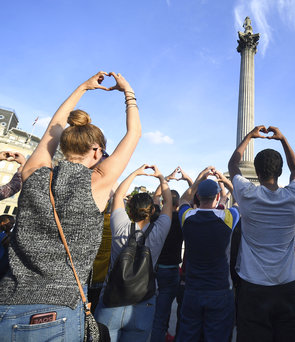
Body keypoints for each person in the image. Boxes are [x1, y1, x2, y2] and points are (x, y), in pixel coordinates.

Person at [0, 71, 141, 340]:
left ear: (63, 146)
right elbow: (134, 133)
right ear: (98, 151)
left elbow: (54, 124)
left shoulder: (34, 171)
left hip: (8, 302)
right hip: (60, 309)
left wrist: (84, 87)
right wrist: (128, 93)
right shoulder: (98, 183)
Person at [228, 125, 295, 341]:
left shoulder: (247, 194)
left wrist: (249, 136)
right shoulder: (293, 195)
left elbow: (233, 164)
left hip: (253, 287)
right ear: (279, 172)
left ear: (257, 172)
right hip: (288, 285)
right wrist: (283, 138)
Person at [95, 164, 173, 341]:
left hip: (112, 298)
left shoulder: (121, 225)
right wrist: (162, 177)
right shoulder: (159, 230)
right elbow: (168, 202)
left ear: (129, 210)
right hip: (143, 301)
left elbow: (118, 196)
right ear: (152, 211)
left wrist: (136, 173)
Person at [176, 166, 239, 342]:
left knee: (188, 335)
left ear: (198, 196)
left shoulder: (187, 217)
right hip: (220, 289)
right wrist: (226, 181)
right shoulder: (227, 218)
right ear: (218, 197)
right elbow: (240, 200)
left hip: (193, 289)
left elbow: (182, 200)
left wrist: (199, 178)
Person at [150, 166, 191, 342]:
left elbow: (156, 196)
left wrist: (165, 178)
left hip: (155, 270)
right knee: (165, 310)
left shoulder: (158, 217)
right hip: (173, 270)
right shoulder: (183, 221)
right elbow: (191, 196)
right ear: (177, 205)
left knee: (157, 310)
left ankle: (160, 335)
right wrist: (189, 179)